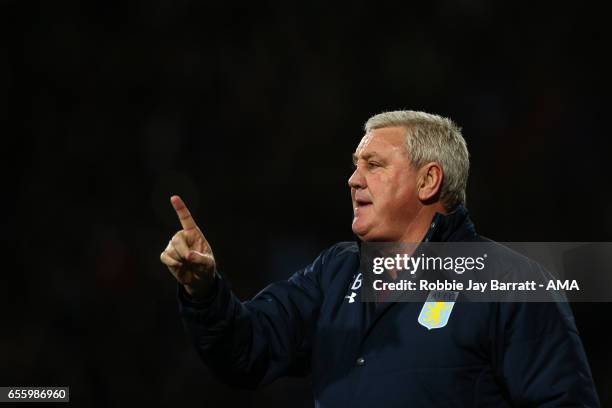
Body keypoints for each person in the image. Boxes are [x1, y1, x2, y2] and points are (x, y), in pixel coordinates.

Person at [160, 110, 600, 407]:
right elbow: (246, 352)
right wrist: (204, 293)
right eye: (355, 164)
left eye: (374, 164)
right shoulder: (334, 274)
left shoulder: (511, 282)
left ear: (429, 180)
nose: (353, 179)